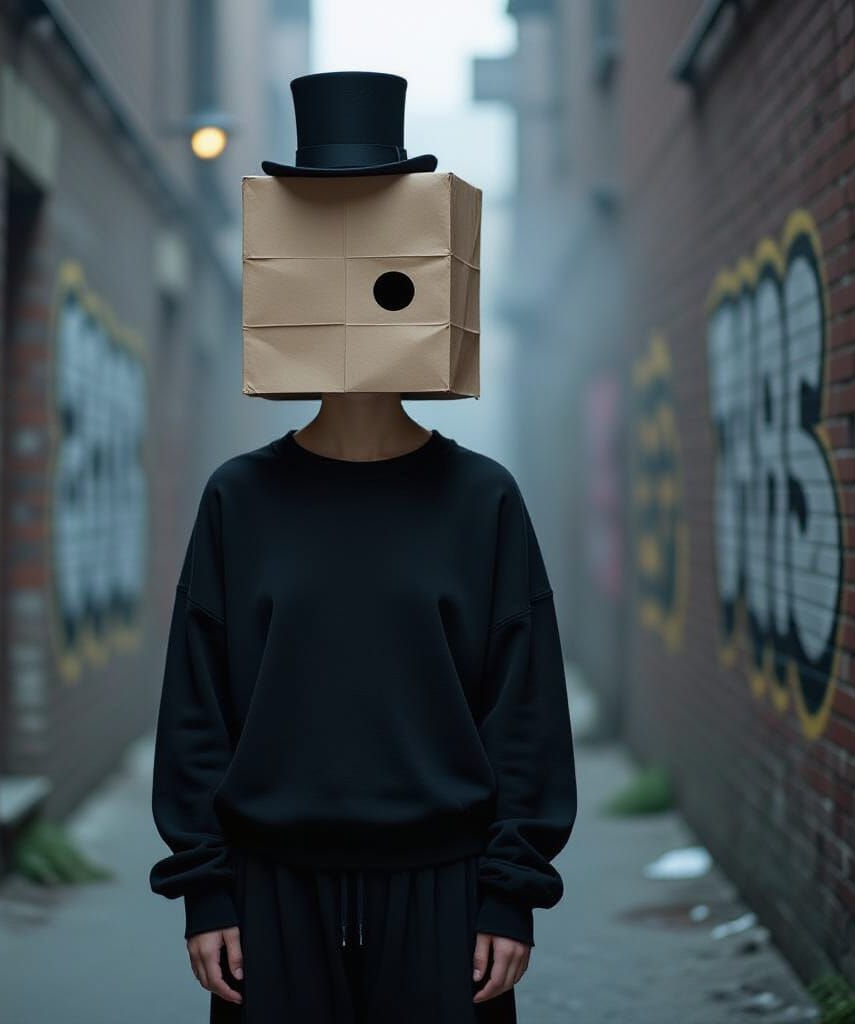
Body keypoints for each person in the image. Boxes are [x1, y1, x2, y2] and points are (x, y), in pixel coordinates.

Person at [149, 72, 577, 1024]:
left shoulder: (481, 499)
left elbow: (527, 708)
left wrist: (510, 888)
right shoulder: (239, 497)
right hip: (269, 897)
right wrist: (207, 888)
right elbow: (195, 709)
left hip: (444, 892)